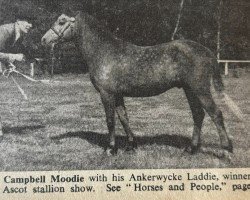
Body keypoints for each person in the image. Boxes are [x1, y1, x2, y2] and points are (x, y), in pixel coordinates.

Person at [0, 16, 33, 140]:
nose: (30, 25)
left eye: (32, 23)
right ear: (18, 21)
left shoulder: (18, 34)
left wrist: (9, 63)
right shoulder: (5, 30)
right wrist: (13, 57)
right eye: (27, 21)